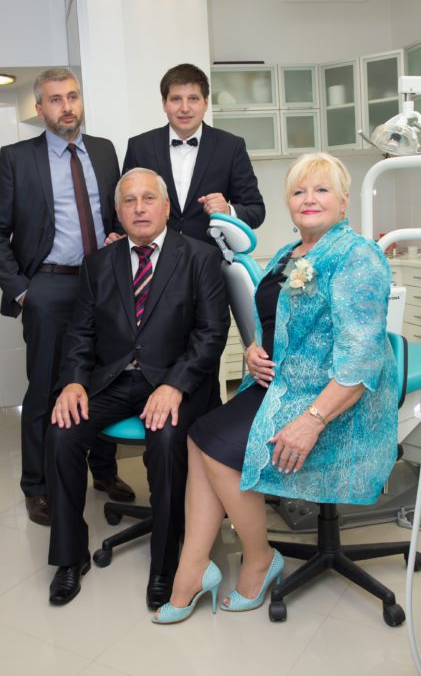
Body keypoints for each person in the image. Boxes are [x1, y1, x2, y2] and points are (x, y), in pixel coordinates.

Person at [152, 152, 398, 624]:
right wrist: (252, 348)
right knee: (198, 437)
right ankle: (194, 568)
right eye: (299, 191)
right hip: (281, 385)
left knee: (218, 451)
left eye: (321, 190)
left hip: (330, 400)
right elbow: (274, 320)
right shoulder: (291, 253)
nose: (309, 199)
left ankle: (259, 558)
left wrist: (312, 421)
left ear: (344, 201)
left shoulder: (357, 256)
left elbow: (361, 358)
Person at [45, 167, 230, 607]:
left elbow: (211, 333)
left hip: (174, 381)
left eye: (149, 199)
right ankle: (70, 558)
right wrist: (73, 383)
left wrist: (175, 386)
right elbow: (80, 333)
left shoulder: (200, 257)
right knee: (61, 433)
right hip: (114, 380)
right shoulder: (98, 264)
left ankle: (165, 566)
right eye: (129, 201)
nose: (139, 208)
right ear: (118, 211)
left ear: (166, 207)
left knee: (165, 440)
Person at [0, 68, 134, 527]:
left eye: (72, 96)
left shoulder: (104, 151)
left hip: (104, 284)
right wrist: (23, 292)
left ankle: (103, 471)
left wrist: (117, 235)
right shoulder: (17, 158)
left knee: (103, 380)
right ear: (40, 108)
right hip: (48, 286)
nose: (66, 107)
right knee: (47, 389)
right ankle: (37, 485)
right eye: (55, 99)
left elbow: (116, 214)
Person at [121, 63, 265, 244]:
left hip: (210, 256)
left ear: (206, 103)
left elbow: (256, 211)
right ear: (164, 104)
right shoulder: (140, 147)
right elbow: (124, 204)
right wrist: (118, 235)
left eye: (193, 99)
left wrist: (228, 210)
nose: (185, 108)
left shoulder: (231, 147)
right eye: (176, 99)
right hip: (152, 256)